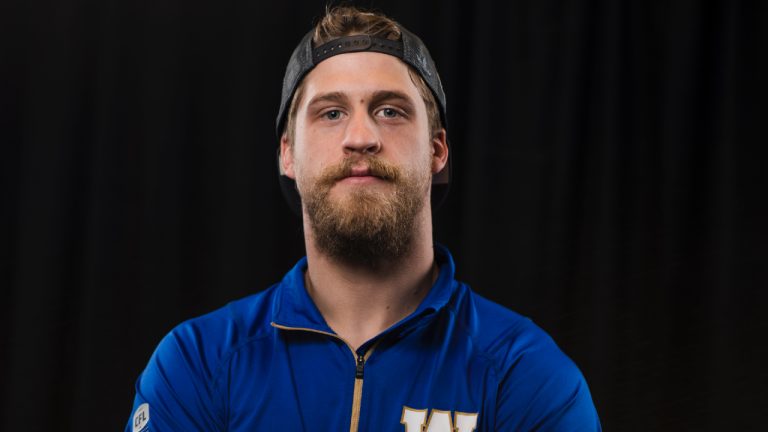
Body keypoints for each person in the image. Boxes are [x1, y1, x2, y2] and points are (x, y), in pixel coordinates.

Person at [125, 6, 601, 432]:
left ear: (436, 151)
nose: (360, 136)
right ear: (288, 155)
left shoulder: (525, 373)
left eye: (390, 111)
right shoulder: (197, 363)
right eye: (331, 113)